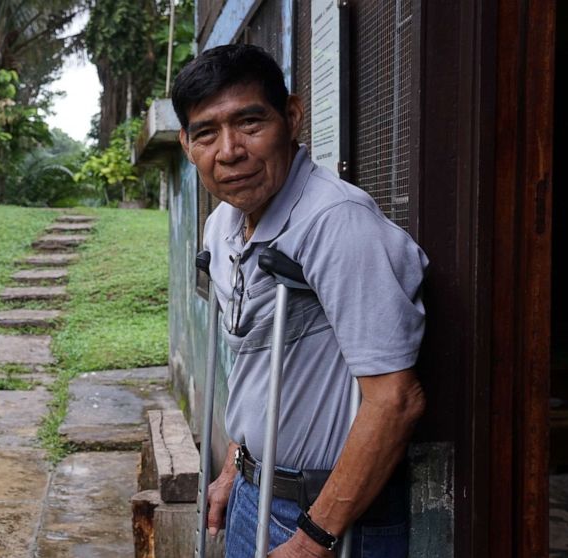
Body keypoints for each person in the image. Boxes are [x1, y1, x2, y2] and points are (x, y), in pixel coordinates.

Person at [171, 44, 428, 558]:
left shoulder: (337, 222)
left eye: (249, 122)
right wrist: (232, 470)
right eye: (206, 132)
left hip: (333, 516)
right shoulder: (222, 224)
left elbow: (395, 401)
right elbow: (261, 365)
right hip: (254, 493)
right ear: (185, 143)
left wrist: (313, 541)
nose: (229, 150)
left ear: (291, 116)